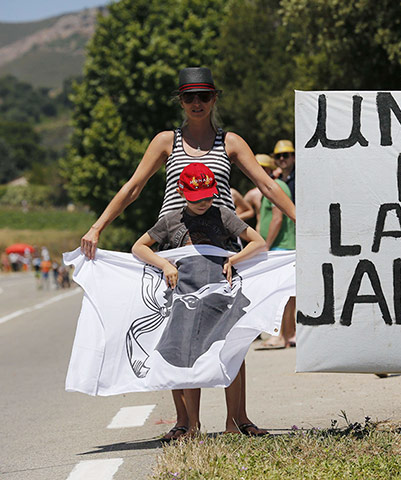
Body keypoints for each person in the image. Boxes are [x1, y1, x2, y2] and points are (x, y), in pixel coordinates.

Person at [80, 66, 295, 440]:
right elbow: (134, 187)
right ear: (180, 101)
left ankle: (237, 420)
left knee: (233, 336)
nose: (197, 103)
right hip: (174, 255)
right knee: (180, 337)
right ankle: (187, 424)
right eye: (189, 97)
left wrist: (303, 221)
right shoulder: (166, 141)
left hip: (222, 252)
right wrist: (98, 227)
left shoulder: (231, 142)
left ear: (214, 99)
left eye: (204, 96)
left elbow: (266, 184)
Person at [133, 163, 267, 438]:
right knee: (186, 356)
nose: (203, 203)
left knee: (232, 353)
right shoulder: (171, 221)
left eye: (207, 196)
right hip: (185, 299)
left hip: (222, 298)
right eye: (196, 199)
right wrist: (164, 264)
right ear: (182, 193)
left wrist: (234, 259)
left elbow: (258, 242)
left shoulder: (223, 215)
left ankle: (234, 422)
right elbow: (139, 246)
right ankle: (191, 425)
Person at [257, 145, 296, 350]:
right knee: (287, 295)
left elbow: (277, 218)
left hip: (280, 246)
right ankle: (288, 334)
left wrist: (265, 245)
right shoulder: (277, 184)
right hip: (283, 246)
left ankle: (279, 335)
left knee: (279, 294)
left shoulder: (275, 185)